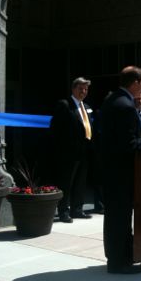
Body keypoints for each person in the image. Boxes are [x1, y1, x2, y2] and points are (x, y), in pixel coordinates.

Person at [100, 66, 141, 274]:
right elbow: (129, 145)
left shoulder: (112, 99)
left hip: (111, 171)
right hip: (121, 173)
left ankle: (118, 257)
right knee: (121, 218)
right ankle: (119, 263)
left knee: (114, 217)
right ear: (135, 83)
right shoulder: (125, 106)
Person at [50, 77, 94, 223]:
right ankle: (63, 211)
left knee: (81, 182)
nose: (83, 92)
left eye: (86, 89)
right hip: (68, 152)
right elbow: (56, 129)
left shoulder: (86, 106)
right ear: (73, 89)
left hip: (84, 151)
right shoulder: (64, 105)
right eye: (81, 88)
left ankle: (77, 209)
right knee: (66, 183)